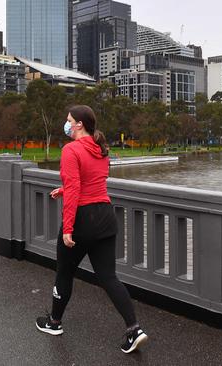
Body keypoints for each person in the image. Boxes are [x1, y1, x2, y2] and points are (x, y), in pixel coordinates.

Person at [36, 105, 148, 354]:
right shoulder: (100, 149)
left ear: (78, 124)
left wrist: (68, 227)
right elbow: (92, 181)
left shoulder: (71, 150)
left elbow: (76, 188)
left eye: (68, 120)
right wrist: (63, 189)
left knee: (64, 272)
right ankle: (134, 329)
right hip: (106, 216)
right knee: (109, 277)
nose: (65, 124)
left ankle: (54, 322)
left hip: (83, 219)